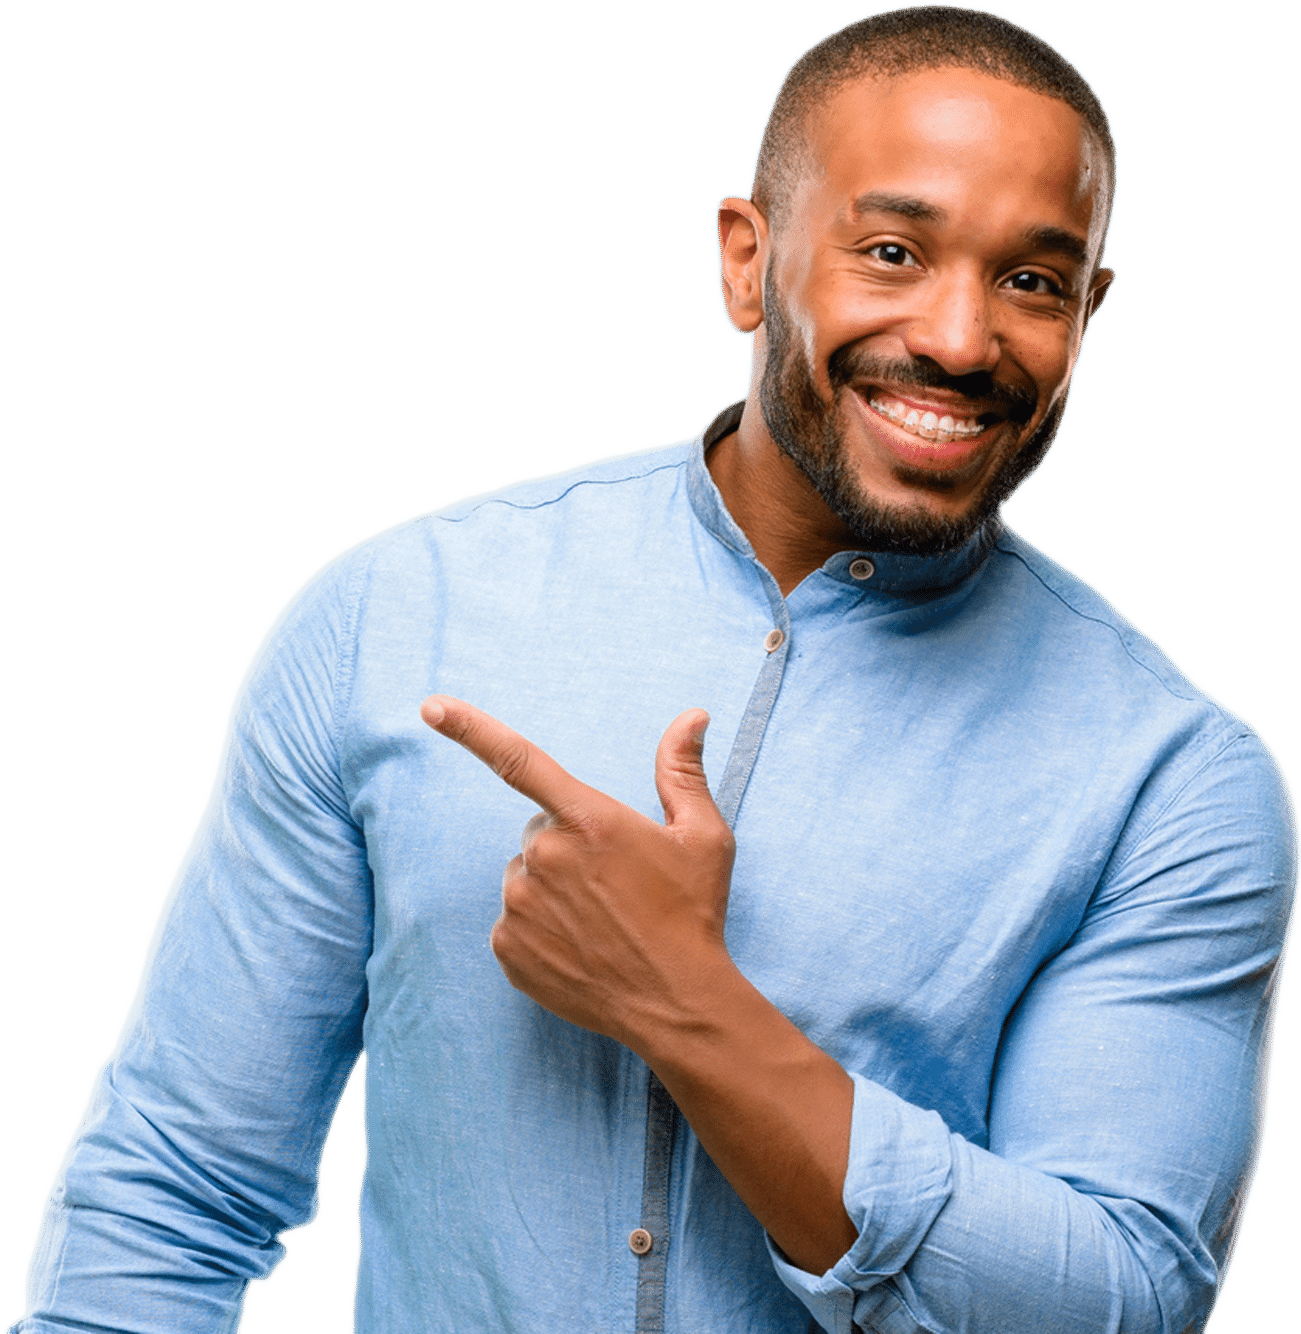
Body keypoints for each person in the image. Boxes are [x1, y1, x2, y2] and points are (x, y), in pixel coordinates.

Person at [10, 6, 1296, 1332]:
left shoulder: (1175, 779)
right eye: (895, 251)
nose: (963, 339)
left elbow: (1124, 1301)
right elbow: (170, 1199)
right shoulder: (392, 618)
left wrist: (691, 1010)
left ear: (1090, 309)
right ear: (749, 263)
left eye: (1033, 280)